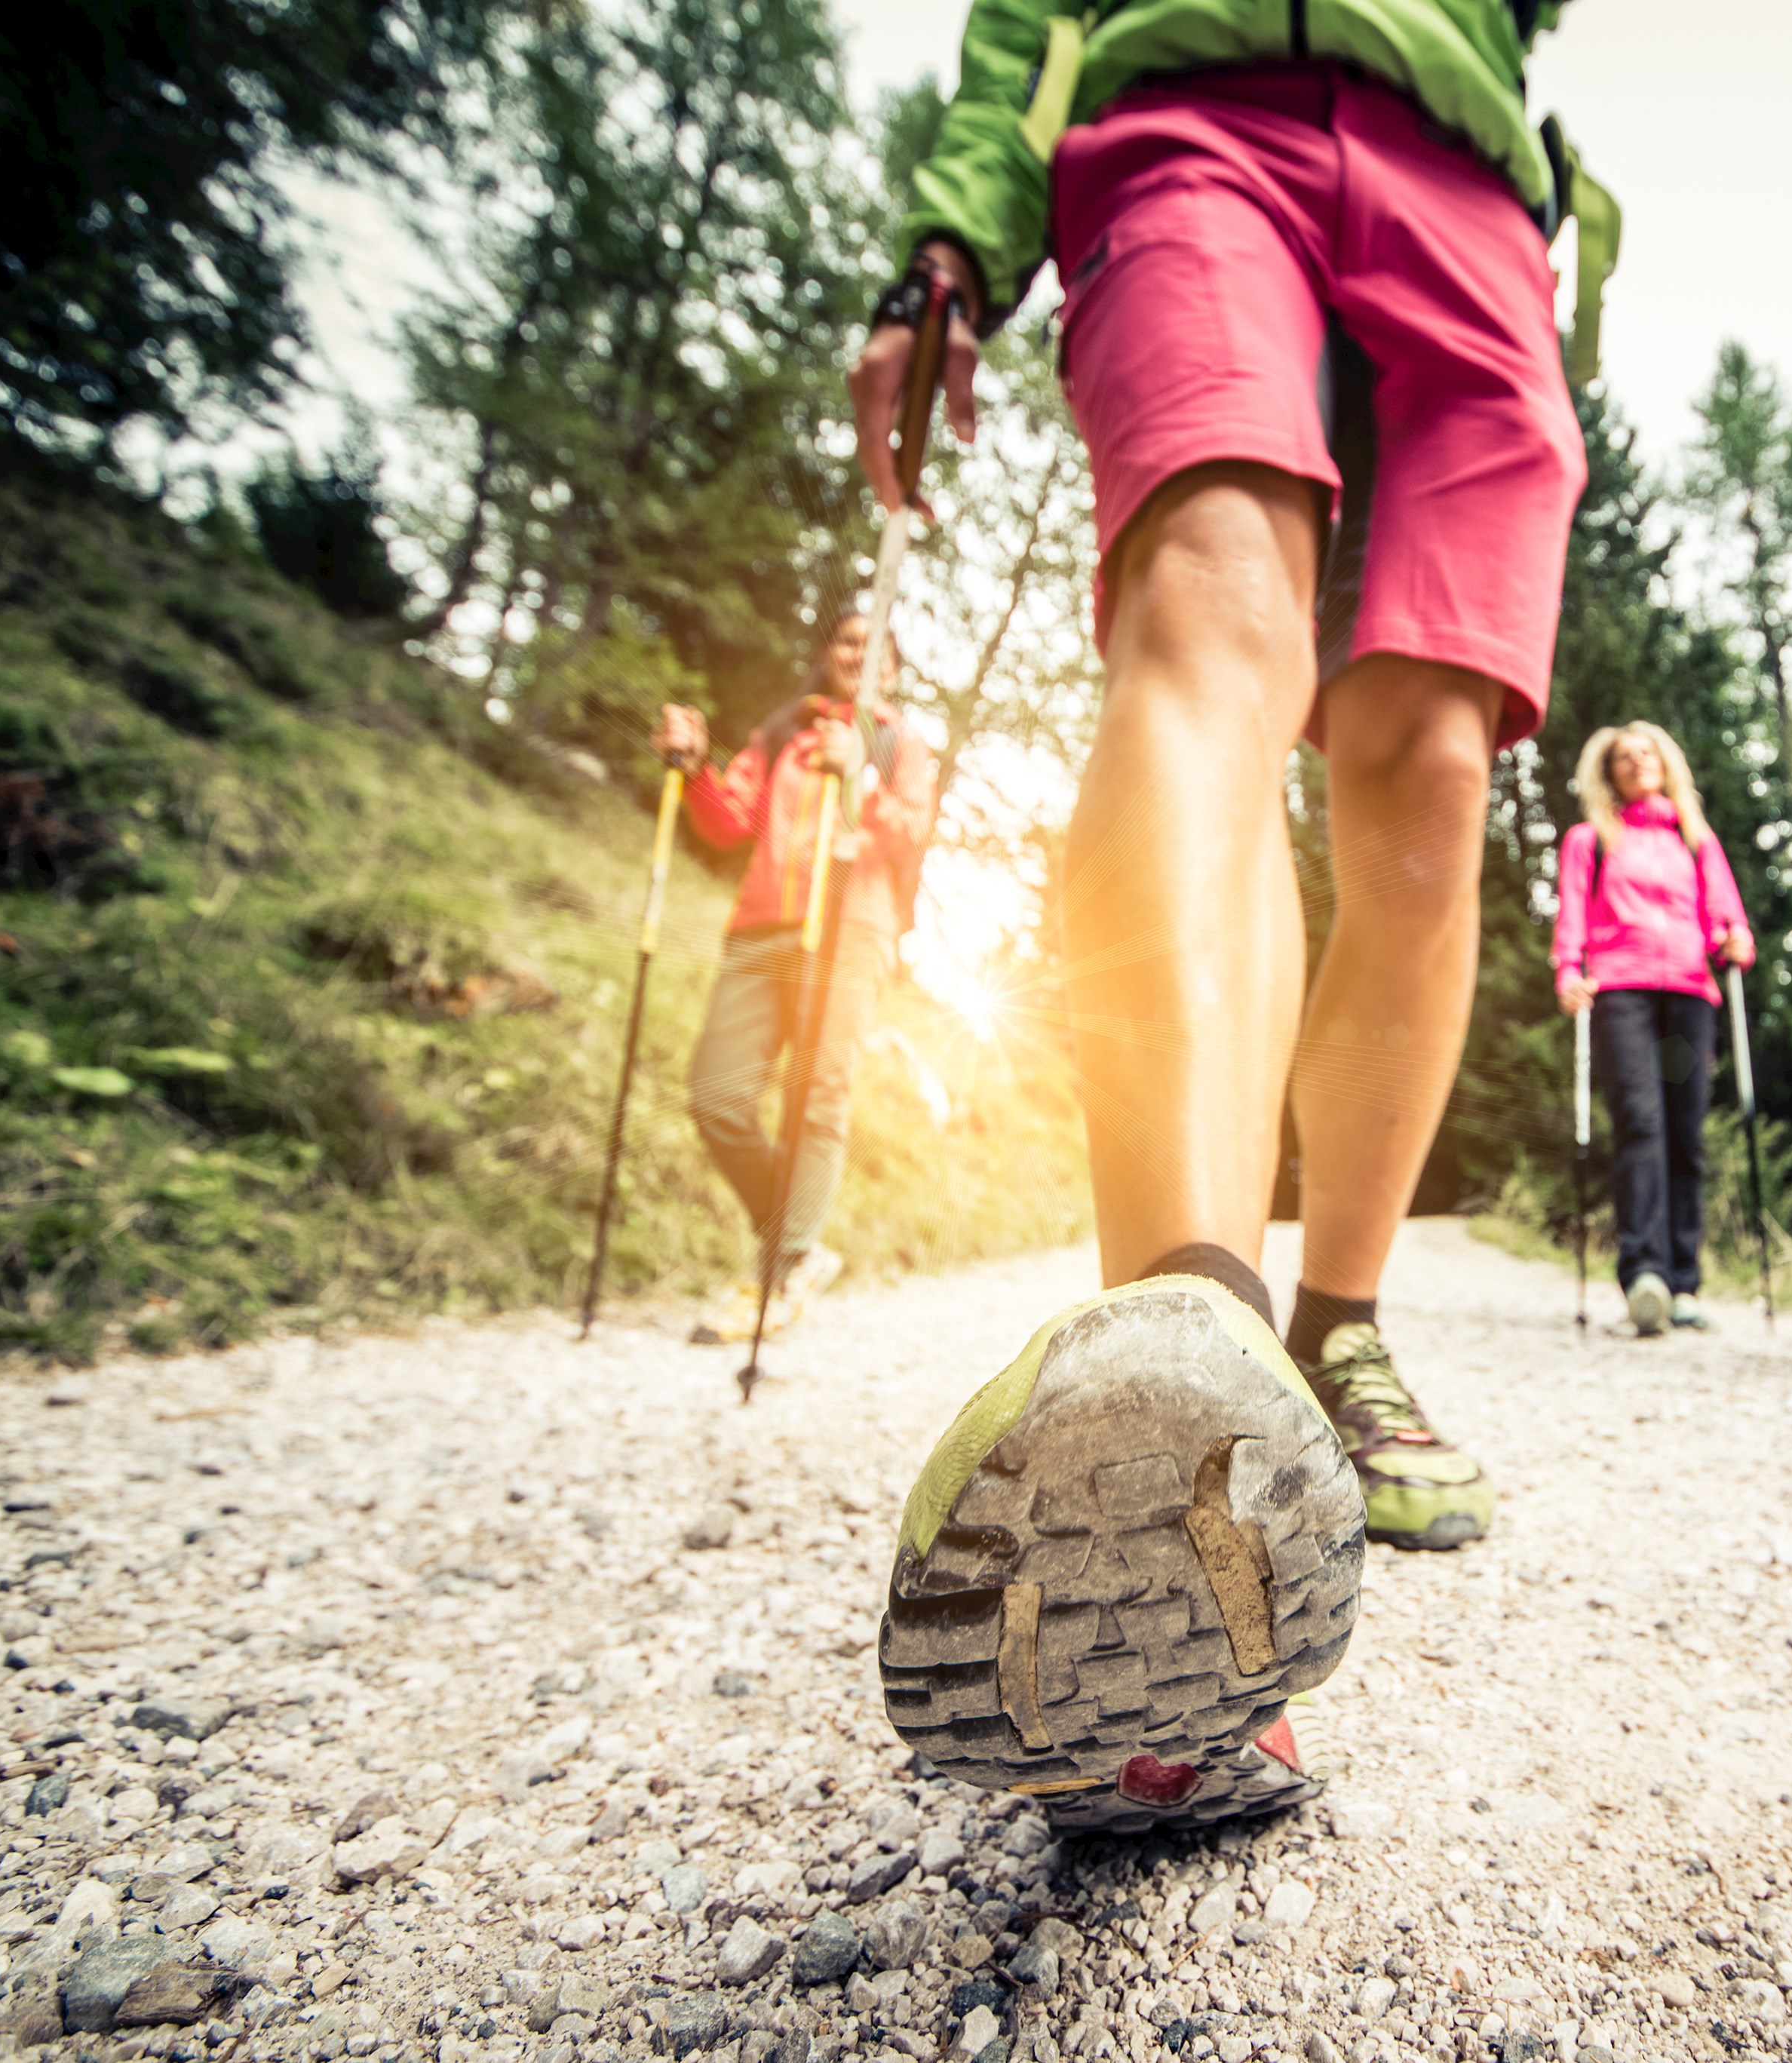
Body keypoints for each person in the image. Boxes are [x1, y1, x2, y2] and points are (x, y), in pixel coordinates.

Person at [853, 2, 1613, 1834]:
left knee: (1431, 759)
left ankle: (1332, 1327)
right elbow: (1026, 20)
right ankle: (1187, 1346)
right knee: (1214, 613)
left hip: (1473, 194)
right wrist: (953, 235)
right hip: (1189, 118)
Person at [657, 609, 938, 1346]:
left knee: (817, 1097)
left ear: (893, 669)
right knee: (717, 1095)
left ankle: (778, 1275)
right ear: (829, 653)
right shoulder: (786, 729)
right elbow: (728, 822)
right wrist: (691, 770)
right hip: (761, 929)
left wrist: (863, 779)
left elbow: (912, 834)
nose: (857, 651)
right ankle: (801, 1245)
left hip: (850, 928)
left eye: (873, 644)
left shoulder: (899, 742)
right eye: (846, 639)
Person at [1552, 723, 1756, 1337]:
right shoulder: (1591, 839)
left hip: (1691, 994)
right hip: (1623, 994)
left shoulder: (1697, 841)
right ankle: (1646, 1273)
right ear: (1608, 773)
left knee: (1684, 1131)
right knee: (1640, 1123)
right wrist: (1568, 970)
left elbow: (1728, 916)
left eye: (1646, 753)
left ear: (1666, 764)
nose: (1636, 763)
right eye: (1623, 757)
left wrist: (1736, 939)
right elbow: (1572, 913)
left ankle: (1685, 1282)